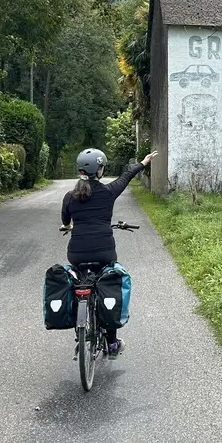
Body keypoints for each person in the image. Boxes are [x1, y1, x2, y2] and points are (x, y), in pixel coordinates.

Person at [61, 147, 156, 357]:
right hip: (104, 253)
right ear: (100, 170)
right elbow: (126, 176)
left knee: (79, 283)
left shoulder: (69, 197)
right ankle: (112, 344)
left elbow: (65, 222)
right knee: (107, 286)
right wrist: (143, 162)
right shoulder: (108, 192)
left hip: (76, 254)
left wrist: (70, 226)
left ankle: (81, 326)